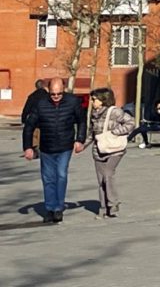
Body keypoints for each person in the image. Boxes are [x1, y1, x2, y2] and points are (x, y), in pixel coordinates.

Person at [21, 77, 87, 223]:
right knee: (48, 178)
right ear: (48, 91)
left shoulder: (73, 102)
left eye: (59, 93)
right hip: (46, 147)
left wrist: (80, 140)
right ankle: (50, 208)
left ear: (63, 90)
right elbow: (29, 126)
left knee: (61, 175)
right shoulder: (40, 104)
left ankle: (58, 208)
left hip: (65, 146)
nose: (56, 97)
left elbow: (82, 120)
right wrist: (28, 147)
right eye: (53, 94)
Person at [87, 89, 136, 218]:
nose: (92, 102)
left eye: (94, 99)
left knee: (108, 174)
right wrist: (82, 145)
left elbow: (131, 122)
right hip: (99, 150)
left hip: (115, 149)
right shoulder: (94, 114)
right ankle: (103, 209)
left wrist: (116, 132)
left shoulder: (114, 112)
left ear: (103, 100)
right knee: (101, 180)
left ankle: (113, 205)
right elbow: (92, 132)